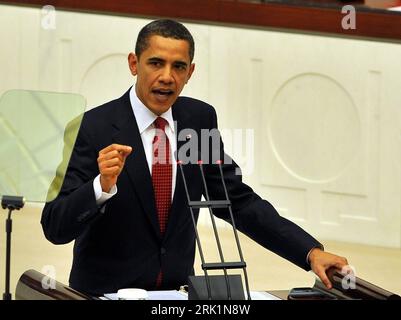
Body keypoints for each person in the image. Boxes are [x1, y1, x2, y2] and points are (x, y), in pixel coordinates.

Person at [41, 19, 348, 296]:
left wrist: (308, 252)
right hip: (106, 294)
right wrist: (100, 187)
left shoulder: (197, 120)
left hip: (177, 297)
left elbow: (237, 202)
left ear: (191, 71)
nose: (167, 77)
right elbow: (55, 226)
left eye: (178, 66)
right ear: (134, 64)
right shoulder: (92, 128)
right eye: (156, 63)